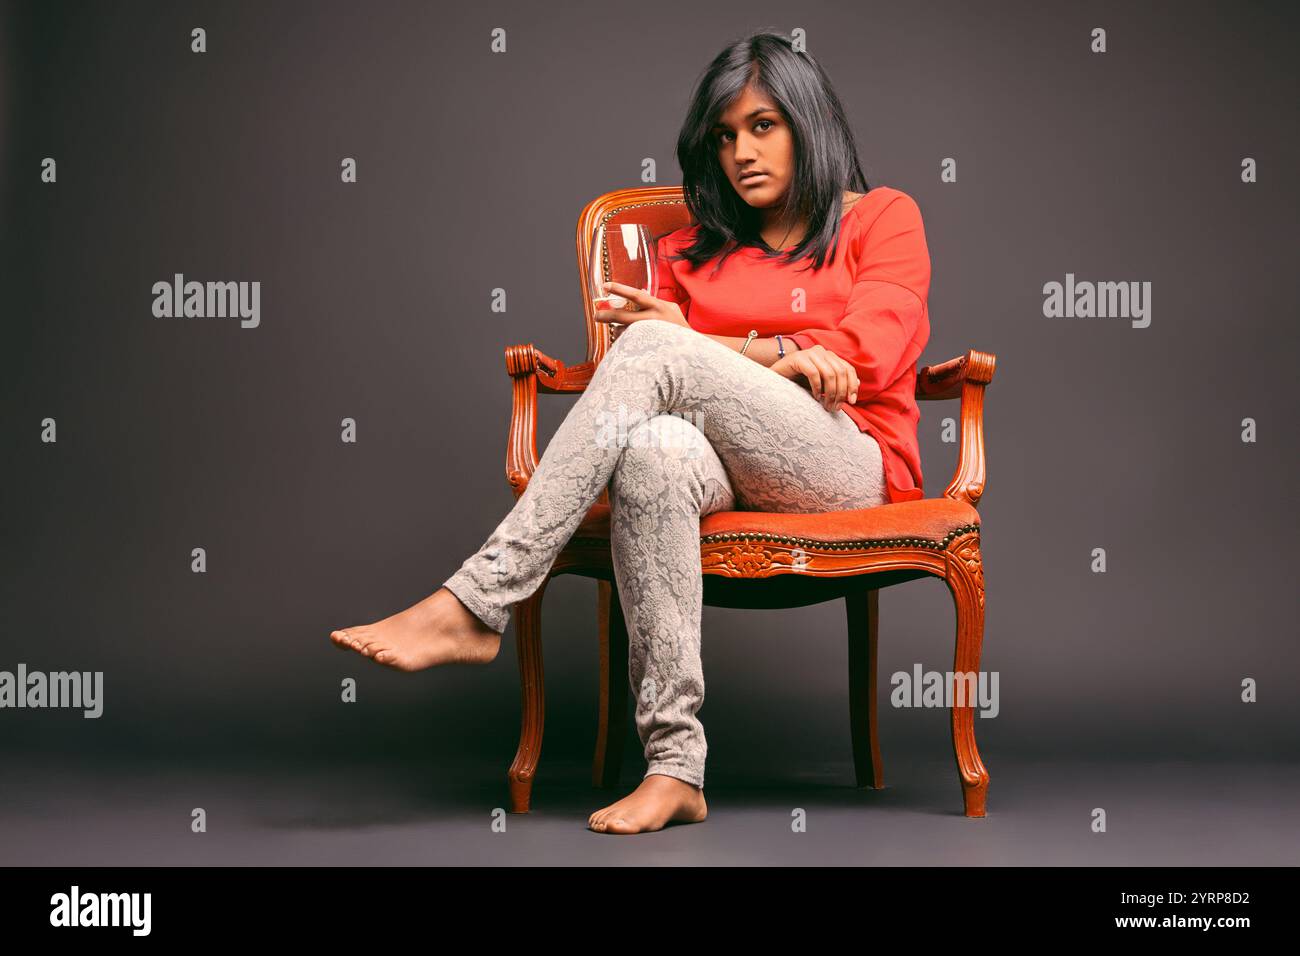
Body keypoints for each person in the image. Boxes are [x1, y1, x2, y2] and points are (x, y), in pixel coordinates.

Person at [328, 31, 932, 835]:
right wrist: (766, 352)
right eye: (723, 136)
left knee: (656, 347)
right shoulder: (688, 253)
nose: (741, 152)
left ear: (809, 121)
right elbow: (647, 391)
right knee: (648, 455)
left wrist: (742, 347)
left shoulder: (881, 217)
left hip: (846, 458)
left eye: (763, 126)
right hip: (721, 458)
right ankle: (676, 767)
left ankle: (479, 600)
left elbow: (871, 348)